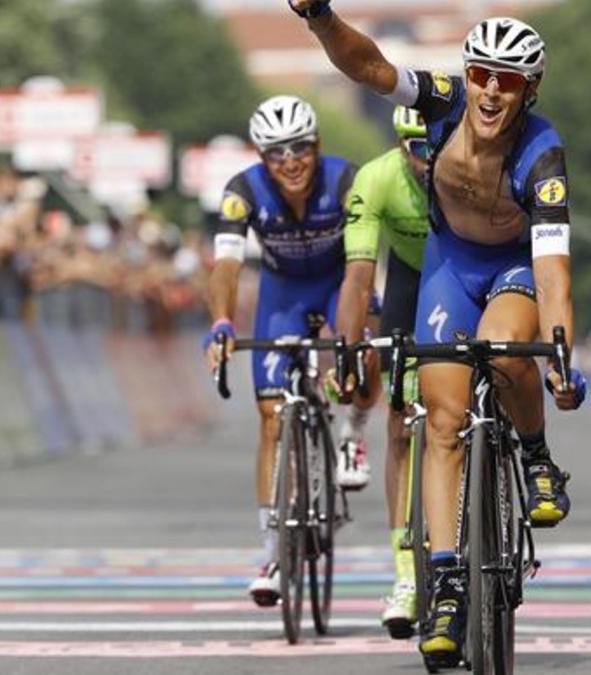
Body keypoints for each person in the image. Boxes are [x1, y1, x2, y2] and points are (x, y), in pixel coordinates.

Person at [287, 4, 586, 666]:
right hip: (450, 266)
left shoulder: (543, 153)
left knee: (510, 353)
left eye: (507, 81)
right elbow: (368, 66)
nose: (489, 91)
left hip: (511, 267)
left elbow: (553, 269)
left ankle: (536, 457)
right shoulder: (442, 102)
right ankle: (446, 580)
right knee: (443, 418)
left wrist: (561, 350)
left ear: (529, 90)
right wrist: (319, 19)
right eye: (481, 73)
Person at [202, 94, 373, 607]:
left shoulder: (347, 182)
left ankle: (353, 433)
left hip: (339, 280)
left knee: (360, 355)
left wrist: (352, 332)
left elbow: (365, 263)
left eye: (299, 148)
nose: (290, 161)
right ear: (260, 156)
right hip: (283, 294)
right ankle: (274, 549)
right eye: (276, 152)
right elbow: (227, 267)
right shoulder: (242, 191)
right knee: (271, 415)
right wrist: (222, 323)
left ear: (317, 145)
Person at [334, 105, 432, 639]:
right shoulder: (376, 179)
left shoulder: (464, 166)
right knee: (399, 420)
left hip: (461, 272)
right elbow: (357, 278)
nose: (428, 159)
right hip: (409, 282)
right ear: (400, 145)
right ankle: (404, 575)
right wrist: (349, 355)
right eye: (417, 149)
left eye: (435, 144)